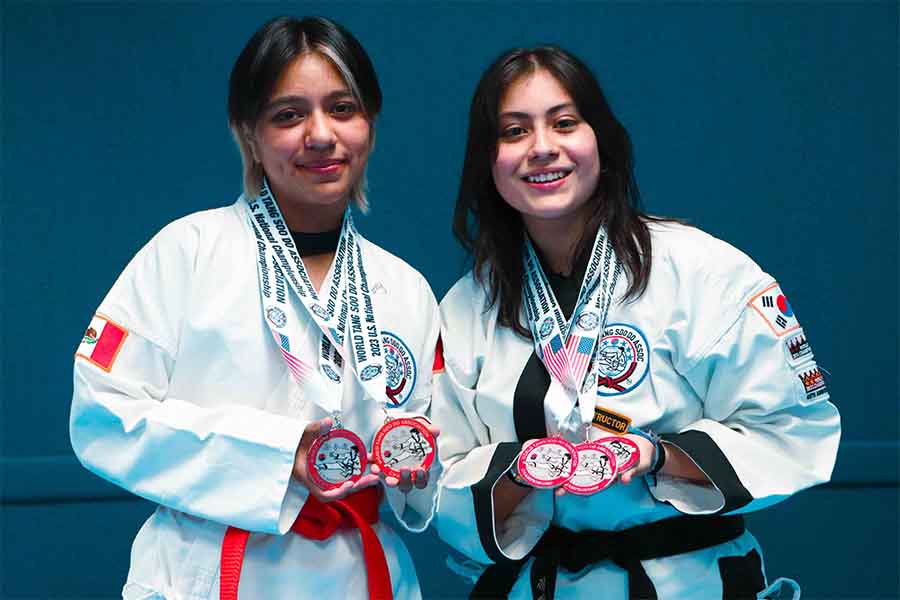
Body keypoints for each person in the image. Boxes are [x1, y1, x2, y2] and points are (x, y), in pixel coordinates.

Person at [433, 46, 840, 599]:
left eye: (564, 122)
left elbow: (793, 428)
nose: (542, 148)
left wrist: (658, 455)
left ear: (602, 139)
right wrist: (529, 470)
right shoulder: (467, 305)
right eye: (514, 131)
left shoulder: (702, 271)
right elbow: (441, 475)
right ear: (488, 160)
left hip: (689, 583)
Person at [70, 16, 441, 600]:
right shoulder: (186, 253)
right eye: (289, 115)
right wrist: (279, 453)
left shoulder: (406, 288)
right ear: (249, 132)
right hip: (208, 572)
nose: (321, 134)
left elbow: (420, 465)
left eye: (342, 108)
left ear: (370, 122)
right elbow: (101, 415)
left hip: (357, 573)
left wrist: (416, 467)